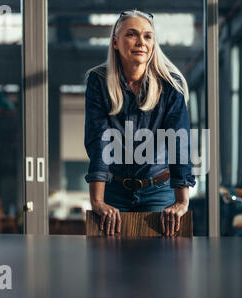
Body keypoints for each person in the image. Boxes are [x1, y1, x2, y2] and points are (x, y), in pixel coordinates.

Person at [84, 9, 196, 237]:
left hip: (158, 191)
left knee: (160, 267)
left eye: (147, 36)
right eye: (131, 35)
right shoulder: (99, 81)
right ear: (115, 42)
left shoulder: (170, 85)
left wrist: (182, 202)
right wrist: (97, 201)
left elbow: (179, 142)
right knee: (108, 267)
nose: (140, 42)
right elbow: (99, 141)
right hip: (114, 191)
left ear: (153, 44)